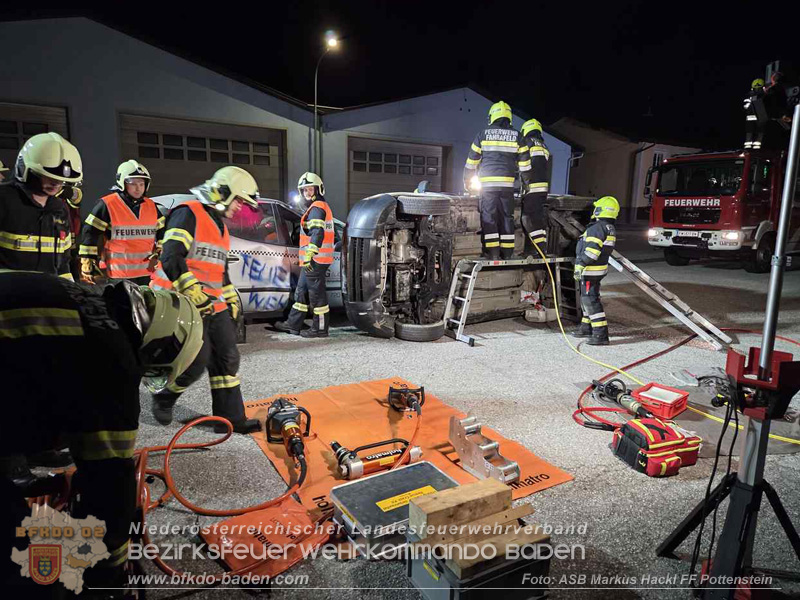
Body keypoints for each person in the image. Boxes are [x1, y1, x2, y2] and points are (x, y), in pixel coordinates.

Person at [0, 269, 203, 594]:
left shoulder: (86, 301)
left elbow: (25, 371)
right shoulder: (114, 356)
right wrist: (108, 574)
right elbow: (110, 484)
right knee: (23, 566)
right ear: (160, 347)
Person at [150, 166, 261, 434]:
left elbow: (218, 270)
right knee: (196, 361)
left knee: (227, 357)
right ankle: (165, 396)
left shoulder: (219, 226)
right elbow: (171, 256)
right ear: (223, 192)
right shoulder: (188, 213)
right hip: (183, 302)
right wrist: (192, 289)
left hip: (213, 304)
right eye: (238, 201)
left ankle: (230, 419)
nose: (239, 209)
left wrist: (231, 296)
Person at [0, 132, 81, 279]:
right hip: (9, 297)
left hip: (48, 295)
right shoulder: (4, 199)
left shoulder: (59, 209)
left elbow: (63, 262)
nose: (56, 183)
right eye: (49, 176)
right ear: (26, 169)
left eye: (61, 179)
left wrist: (70, 294)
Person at [464, 101, 532, 259]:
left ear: (492, 116)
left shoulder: (483, 134)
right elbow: (525, 165)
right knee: (507, 217)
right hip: (507, 186)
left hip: (487, 186)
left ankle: (493, 253)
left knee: (489, 218)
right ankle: (507, 253)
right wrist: (526, 185)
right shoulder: (518, 136)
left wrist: (467, 183)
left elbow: (471, 162)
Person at [79, 160, 164, 286]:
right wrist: (88, 260)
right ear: (122, 183)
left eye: (141, 184)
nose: (138, 188)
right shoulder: (107, 205)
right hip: (117, 274)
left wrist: (159, 250)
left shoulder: (151, 206)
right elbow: (90, 233)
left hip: (147, 274)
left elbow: (164, 233)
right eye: (133, 184)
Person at [274, 172, 335, 338]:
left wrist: (310, 253)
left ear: (318, 189)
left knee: (317, 296)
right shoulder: (315, 207)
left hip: (315, 259)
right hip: (313, 260)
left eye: (310, 189)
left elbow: (317, 233)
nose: (307, 193)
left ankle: (320, 329)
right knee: (301, 291)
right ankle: (293, 324)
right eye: (304, 190)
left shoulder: (317, 208)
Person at [572, 196, 619, 346]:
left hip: (590, 270)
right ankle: (586, 327)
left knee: (590, 301)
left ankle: (600, 335)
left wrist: (580, 265)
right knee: (588, 299)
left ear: (599, 209)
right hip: (598, 270)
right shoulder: (608, 227)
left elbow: (592, 252)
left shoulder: (597, 228)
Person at [519, 118, 551, 253]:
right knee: (537, 218)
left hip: (531, 186)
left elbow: (521, 163)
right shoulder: (544, 146)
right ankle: (534, 249)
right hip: (543, 188)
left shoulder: (526, 142)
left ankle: (539, 249)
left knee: (528, 218)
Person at [744, 78, 766, 150]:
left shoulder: (749, 95)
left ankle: (749, 147)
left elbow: (745, 106)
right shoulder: (763, 95)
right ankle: (755, 147)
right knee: (759, 133)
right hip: (760, 118)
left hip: (751, 119)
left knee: (750, 133)